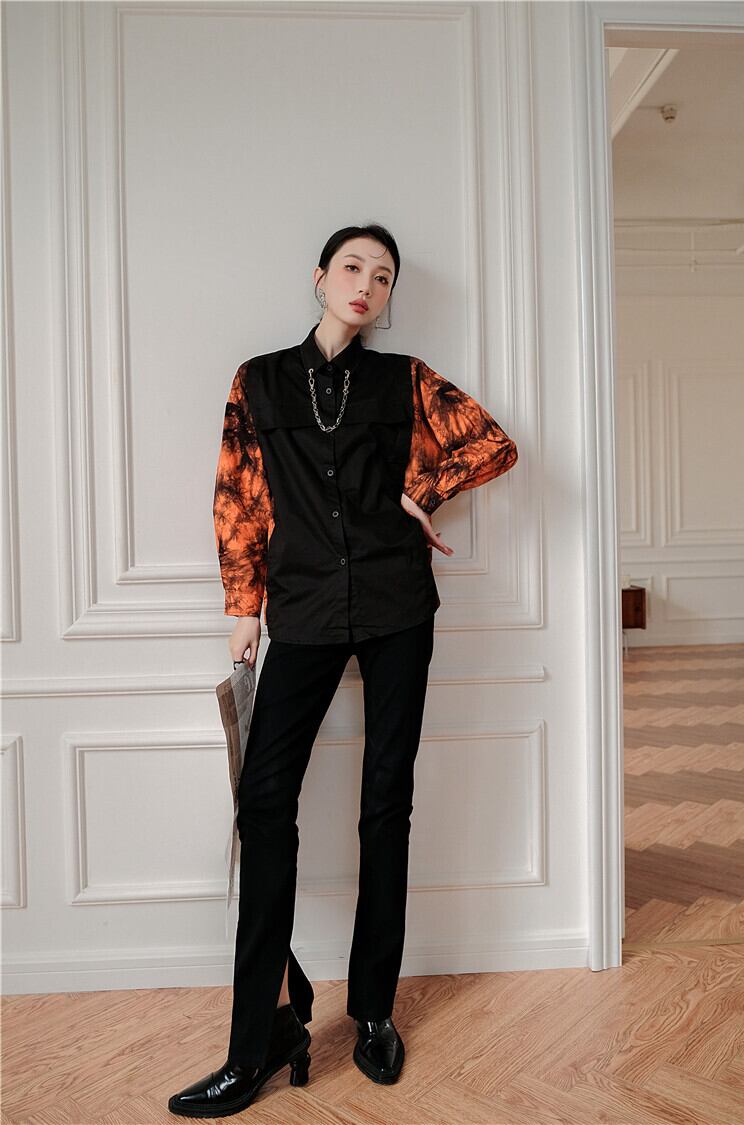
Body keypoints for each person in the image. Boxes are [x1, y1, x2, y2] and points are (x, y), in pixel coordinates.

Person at [168, 223, 519, 1117]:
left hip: (399, 606)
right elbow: (239, 494)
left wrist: (422, 491)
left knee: (385, 805)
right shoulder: (259, 381)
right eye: (354, 267)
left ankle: (372, 1011)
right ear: (321, 277)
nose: (367, 284)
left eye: (384, 276)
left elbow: (493, 444)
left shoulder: (405, 380)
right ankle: (260, 1037)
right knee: (264, 804)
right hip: (304, 610)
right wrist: (242, 606)